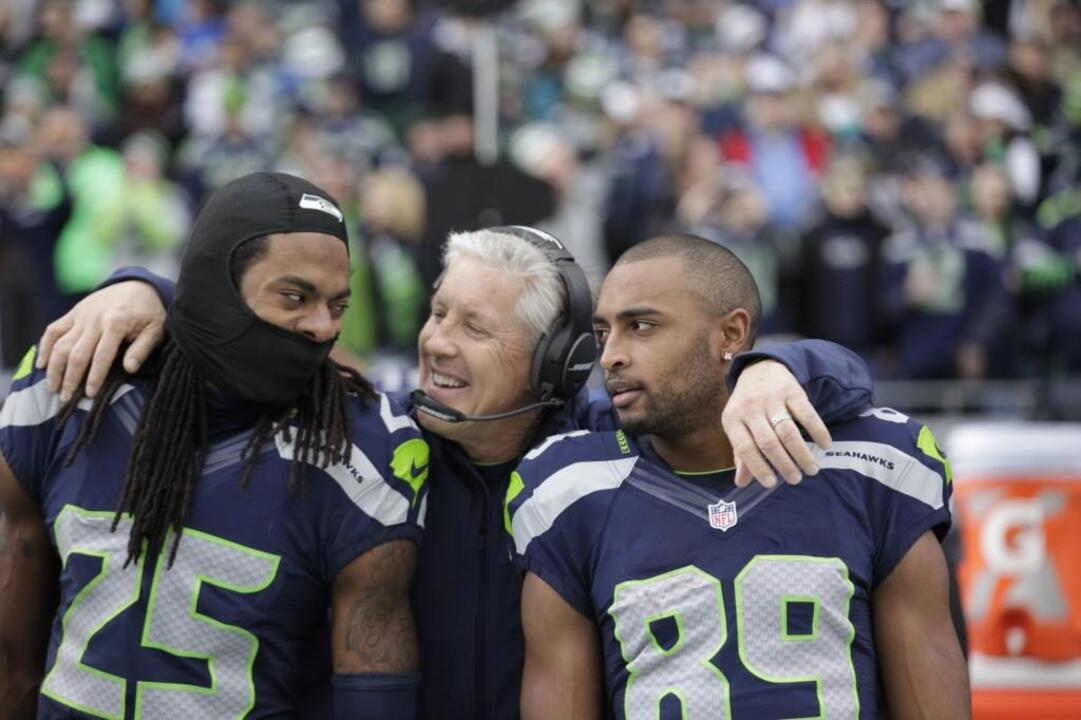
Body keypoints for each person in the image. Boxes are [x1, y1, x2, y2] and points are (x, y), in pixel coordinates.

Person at [37, 227, 876, 720]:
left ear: (556, 360)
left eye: (475, 327)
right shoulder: (364, 435)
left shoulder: (605, 452)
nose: (436, 342)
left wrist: (775, 366)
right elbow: (239, 341)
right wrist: (139, 287)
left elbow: (839, 373)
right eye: (439, 311)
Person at [0, 172, 428, 719]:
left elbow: (374, 696)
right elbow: (13, 664)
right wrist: (142, 284)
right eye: (295, 296)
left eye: (338, 305)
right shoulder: (74, 381)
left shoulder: (359, 447)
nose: (322, 327)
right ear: (215, 288)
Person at [508, 234, 970, 718]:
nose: (610, 357)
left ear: (730, 335)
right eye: (604, 334)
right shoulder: (571, 486)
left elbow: (928, 678)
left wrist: (785, 364)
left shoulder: (868, 462)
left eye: (641, 326)